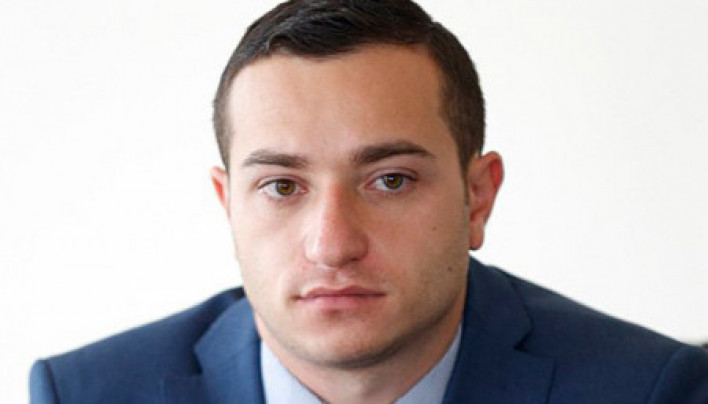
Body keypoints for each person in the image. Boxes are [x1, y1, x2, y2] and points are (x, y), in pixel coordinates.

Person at [29, 0, 708, 403]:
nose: (332, 244)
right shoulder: (86, 395)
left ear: (477, 198)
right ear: (228, 204)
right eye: (282, 186)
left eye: (391, 180)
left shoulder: (651, 391)